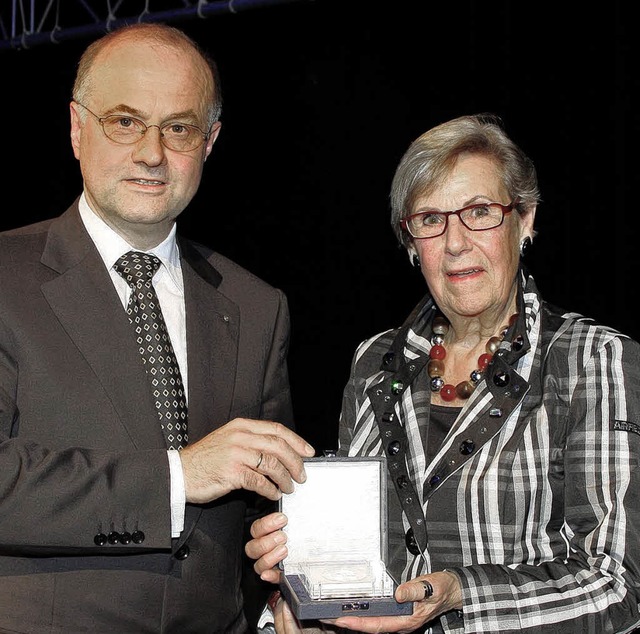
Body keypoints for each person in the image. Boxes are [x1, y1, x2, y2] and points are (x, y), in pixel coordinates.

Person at [246, 113, 640, 633]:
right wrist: (301, 595)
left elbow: (617, 590)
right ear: (412, 243)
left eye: (479, 212)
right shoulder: (375, 362)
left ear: (524, 220)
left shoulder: (594, 359)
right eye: (430, 219)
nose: (455, 242)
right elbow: (368, 570)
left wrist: (459, 595)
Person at [0, 21, 316, 633]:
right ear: (76, 127)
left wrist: (286, 589)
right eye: (125, 121)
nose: (152, 153)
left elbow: (265, 508)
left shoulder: (256, 306)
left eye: (178, 128)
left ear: (210, 142)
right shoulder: (5, 277)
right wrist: (178, 477)